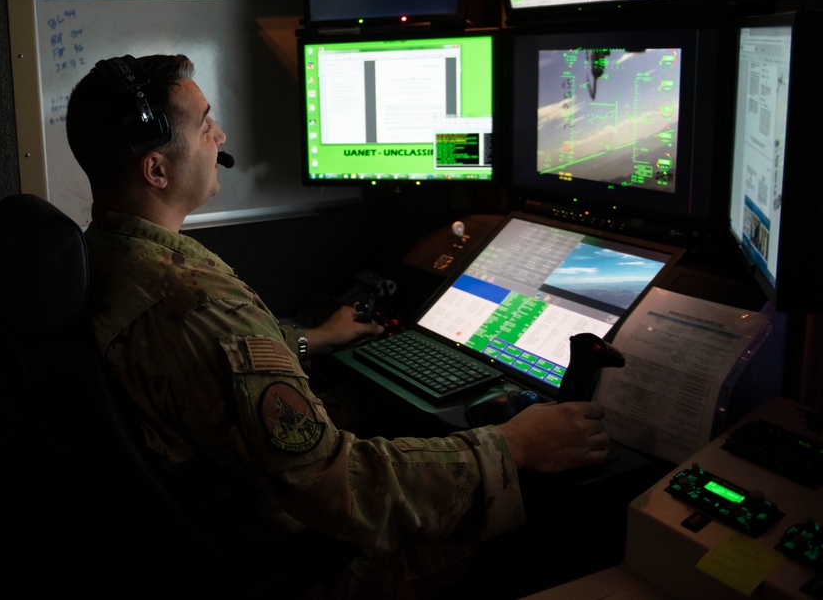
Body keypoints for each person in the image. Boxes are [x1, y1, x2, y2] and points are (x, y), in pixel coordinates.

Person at [65, 53, 610, 598]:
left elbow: (206, 370)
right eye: (205, 124)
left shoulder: (109, 256)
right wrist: (512, 448)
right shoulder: (196, 305)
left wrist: (310, 338)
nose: (220, 134)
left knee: (371, 404)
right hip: (316, 564)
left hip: (209, 525)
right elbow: (343, 486)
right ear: (156, 170)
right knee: (536, 515)